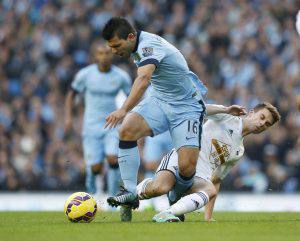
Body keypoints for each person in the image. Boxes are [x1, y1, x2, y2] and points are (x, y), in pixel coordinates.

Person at [102, 17, 208, 209]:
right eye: (111, 47)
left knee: (186, 167)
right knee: (126, 130)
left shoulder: (148, 46)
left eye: (117, 45)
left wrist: (123, 109)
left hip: (187, 106)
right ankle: (129, 192)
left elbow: (143, 79)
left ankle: (175, 195)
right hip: (160, 100)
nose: (114, 51)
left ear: (131, 37)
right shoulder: (136, 46)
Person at [137, 102, 281, 222]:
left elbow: (216, 179)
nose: (262, 124)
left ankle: (168, 213)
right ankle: (130, 195)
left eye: (267, 124)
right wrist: (225, 109)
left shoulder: (239, 151)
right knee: (160, 188)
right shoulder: (227, 116)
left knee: (210, 189)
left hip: (198, 178)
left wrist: (208, 217)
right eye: (261, 117)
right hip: (183, 159)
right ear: (251, 112)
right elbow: (198, 109)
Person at [64, 43, 131, 195]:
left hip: (112, 125)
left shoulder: (121, 76)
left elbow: (132, 98)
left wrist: (126, 115)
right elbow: (71, 95)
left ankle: (113, 197)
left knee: (113, 158)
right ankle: (91, 194)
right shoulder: (85, 75)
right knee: (95, 167)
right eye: (100, 53)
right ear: (95, 56)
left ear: (112, 54)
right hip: (91, 126)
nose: (104, 56)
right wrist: (68, 118)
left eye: (107, 53)